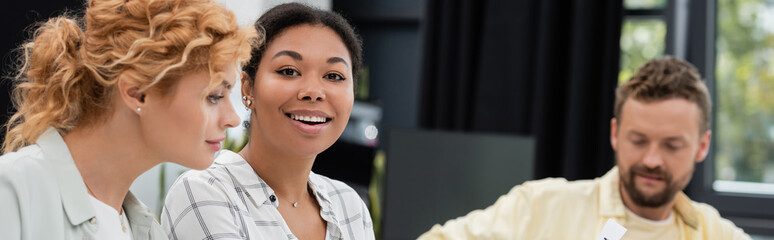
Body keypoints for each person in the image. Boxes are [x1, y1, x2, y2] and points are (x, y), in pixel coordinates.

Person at [0, 0, 259, 239]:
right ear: (137, 93)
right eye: (214, 96)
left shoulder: (148, 232)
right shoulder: (13, 191)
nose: (233, 119)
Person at [418, 57, 751, 239]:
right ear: (615, 133)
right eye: (638, 140)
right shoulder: (541, 207)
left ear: (702, 146)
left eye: (672, 146)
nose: (651, 159)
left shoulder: (714, 232)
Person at [161, 3, 374, 240]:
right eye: (289, 71)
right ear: (248, 87)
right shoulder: (206, 192)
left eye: (334, 76)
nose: (313, 91)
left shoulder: (350, 207)